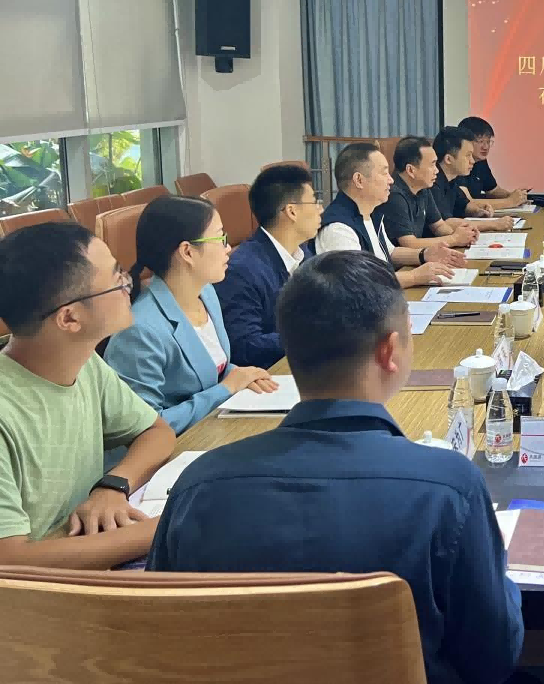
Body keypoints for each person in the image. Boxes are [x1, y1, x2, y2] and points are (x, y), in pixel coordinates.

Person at [149, 251, 524, 684]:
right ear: (390, 350)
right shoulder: (450, 487)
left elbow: (162, 637)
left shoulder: (199, 485)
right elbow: (492, 658)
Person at [0, 222, 175, 568]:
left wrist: (113, 486)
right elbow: (9, 560)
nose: (130, 284)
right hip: (36, 591)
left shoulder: (84, 362)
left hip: (83, 558)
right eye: (117, 281)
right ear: (69, 318)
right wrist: (162, 529)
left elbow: (157, 431)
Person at [106, 196, 277, 435]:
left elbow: (212, 368)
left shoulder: (206, 293)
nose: (228, 248)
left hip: (211, 429)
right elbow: (144, 428)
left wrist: (241, 375)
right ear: (187, 252)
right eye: (220, 238)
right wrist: (226, 389)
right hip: (175, 448)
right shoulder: (140, 331)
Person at [215, 165, 320, 370]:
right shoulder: (242, 270)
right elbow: (244, 345)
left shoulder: (302, 252)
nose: (320, 209)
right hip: (270, 374)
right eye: (314, 202)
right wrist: (311, 337)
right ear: (292, 211)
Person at [314, 142, 455, 288]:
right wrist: (413, 277)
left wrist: (424, 254)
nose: (391, 180)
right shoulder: (339, 228)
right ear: (359, 180)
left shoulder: (370, 213)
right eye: (384, 173)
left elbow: (389, 252)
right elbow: (359, 282)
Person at [381, 136, 477, 259]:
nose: (437, 170)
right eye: (432, 165)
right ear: (411, 170)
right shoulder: (393, 195)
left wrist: (464, 235)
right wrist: (454, 239)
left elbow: (439, 226)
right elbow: (409, 243)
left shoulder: (423, 188)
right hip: (402, 264)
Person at [430, 126, 514, 233]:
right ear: (448, 159)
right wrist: (493, 224)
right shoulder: (432, 183)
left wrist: (478, 211)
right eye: (468, 155)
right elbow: (446, 223)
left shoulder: (451, 181)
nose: (472, 161)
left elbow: (463, 205)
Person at [457, 116, 530, 210]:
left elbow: (492, 190)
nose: (486, 147)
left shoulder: (480, 161)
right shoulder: (458, 163)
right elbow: (467, 202)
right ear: (465, 141)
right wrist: (510, 202)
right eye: (481, 141)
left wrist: (514, 196)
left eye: (488, 142)